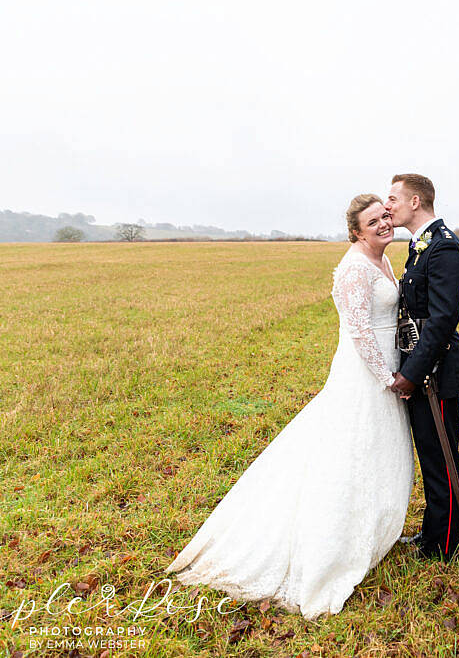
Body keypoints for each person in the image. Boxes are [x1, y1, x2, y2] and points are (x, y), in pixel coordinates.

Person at [164, 194, 413, 620]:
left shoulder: (383, 257)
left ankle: (374, 530)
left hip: (389, 367)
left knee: (378, 451)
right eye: (373, 221)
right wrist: (388, 378)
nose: (383, 224)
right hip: (365, 374)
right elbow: (359, 333)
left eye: (385, 216)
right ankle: (332, 546)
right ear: (356, 231)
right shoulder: (354, 268)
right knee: (350, 453)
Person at [384, 173, 459, 561]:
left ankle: (446, 544)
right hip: (422, 367)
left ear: (415, 202)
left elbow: (441, 321)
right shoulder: (421, 247)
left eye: (393, 198)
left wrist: (412, 372)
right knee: (430, 453)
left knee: (440, 456)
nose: (387, 205)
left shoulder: (444, 249)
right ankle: (433, 533)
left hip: (435, 373)